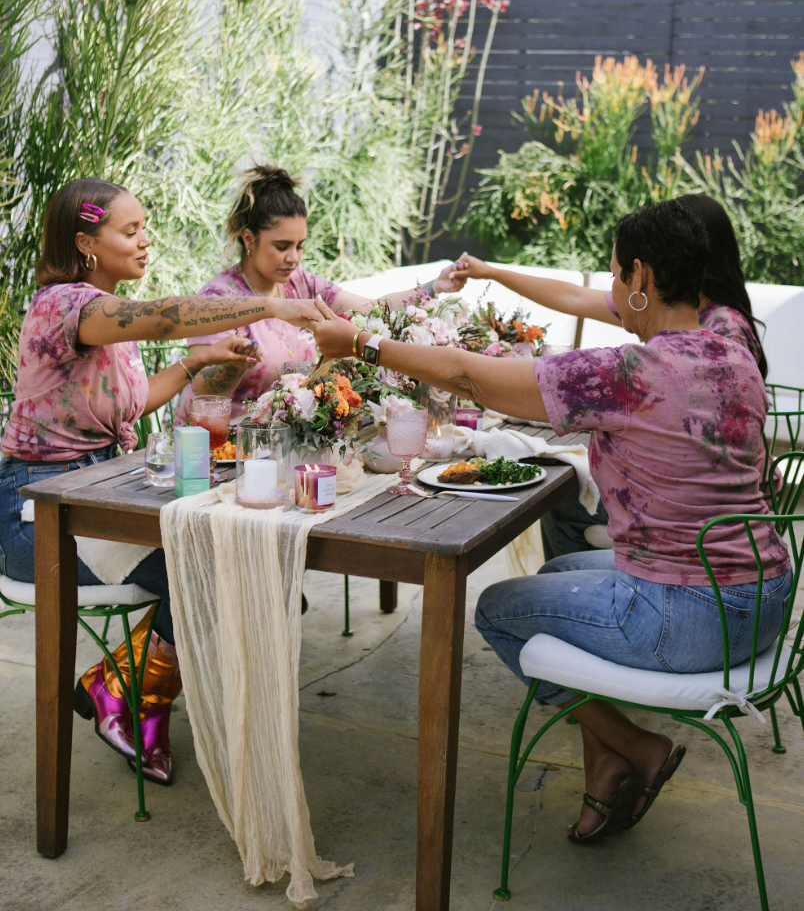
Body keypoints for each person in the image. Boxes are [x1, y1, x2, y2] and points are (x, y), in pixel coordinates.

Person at [310, 200, 791, 843]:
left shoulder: (628, 372)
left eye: (617, 273)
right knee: (560, 567)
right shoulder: (732, 344)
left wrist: (364, 343)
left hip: (689, 616)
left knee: (496, 609)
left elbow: (465, 375)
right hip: (765, 594)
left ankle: (636, 748)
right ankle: (607, 761)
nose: (614, 288)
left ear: (643, 278)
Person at [0, 178, 322, 784]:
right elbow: (160, 317)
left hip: (100, 497)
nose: (146, 242)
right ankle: (128, 693)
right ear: (85, 243)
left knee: (249, 562)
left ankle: (118, 684)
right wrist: (271, 305)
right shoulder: (65, 305)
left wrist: (195, 363)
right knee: (227, 568)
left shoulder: (105, 320)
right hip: (38, 518)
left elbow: (133, 401)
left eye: (145, 227)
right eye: (130, 231)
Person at [448, 192, 769, 559]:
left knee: (568, 497)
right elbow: (573, 297)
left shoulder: (718, 328)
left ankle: (582, 592)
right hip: (699, 507)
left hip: (703, 517)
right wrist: (491, 272)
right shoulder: (670, 305)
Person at [174, 164, 463, 424]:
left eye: (299, 246)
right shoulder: (217, 298)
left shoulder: (301, 284)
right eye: (282, 246)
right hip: (220, 448)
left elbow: (369, 308)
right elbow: (202, 390)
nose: (293, 258)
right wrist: (233, 366)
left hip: (282, 441)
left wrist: (433, 287)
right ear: (249, 239)